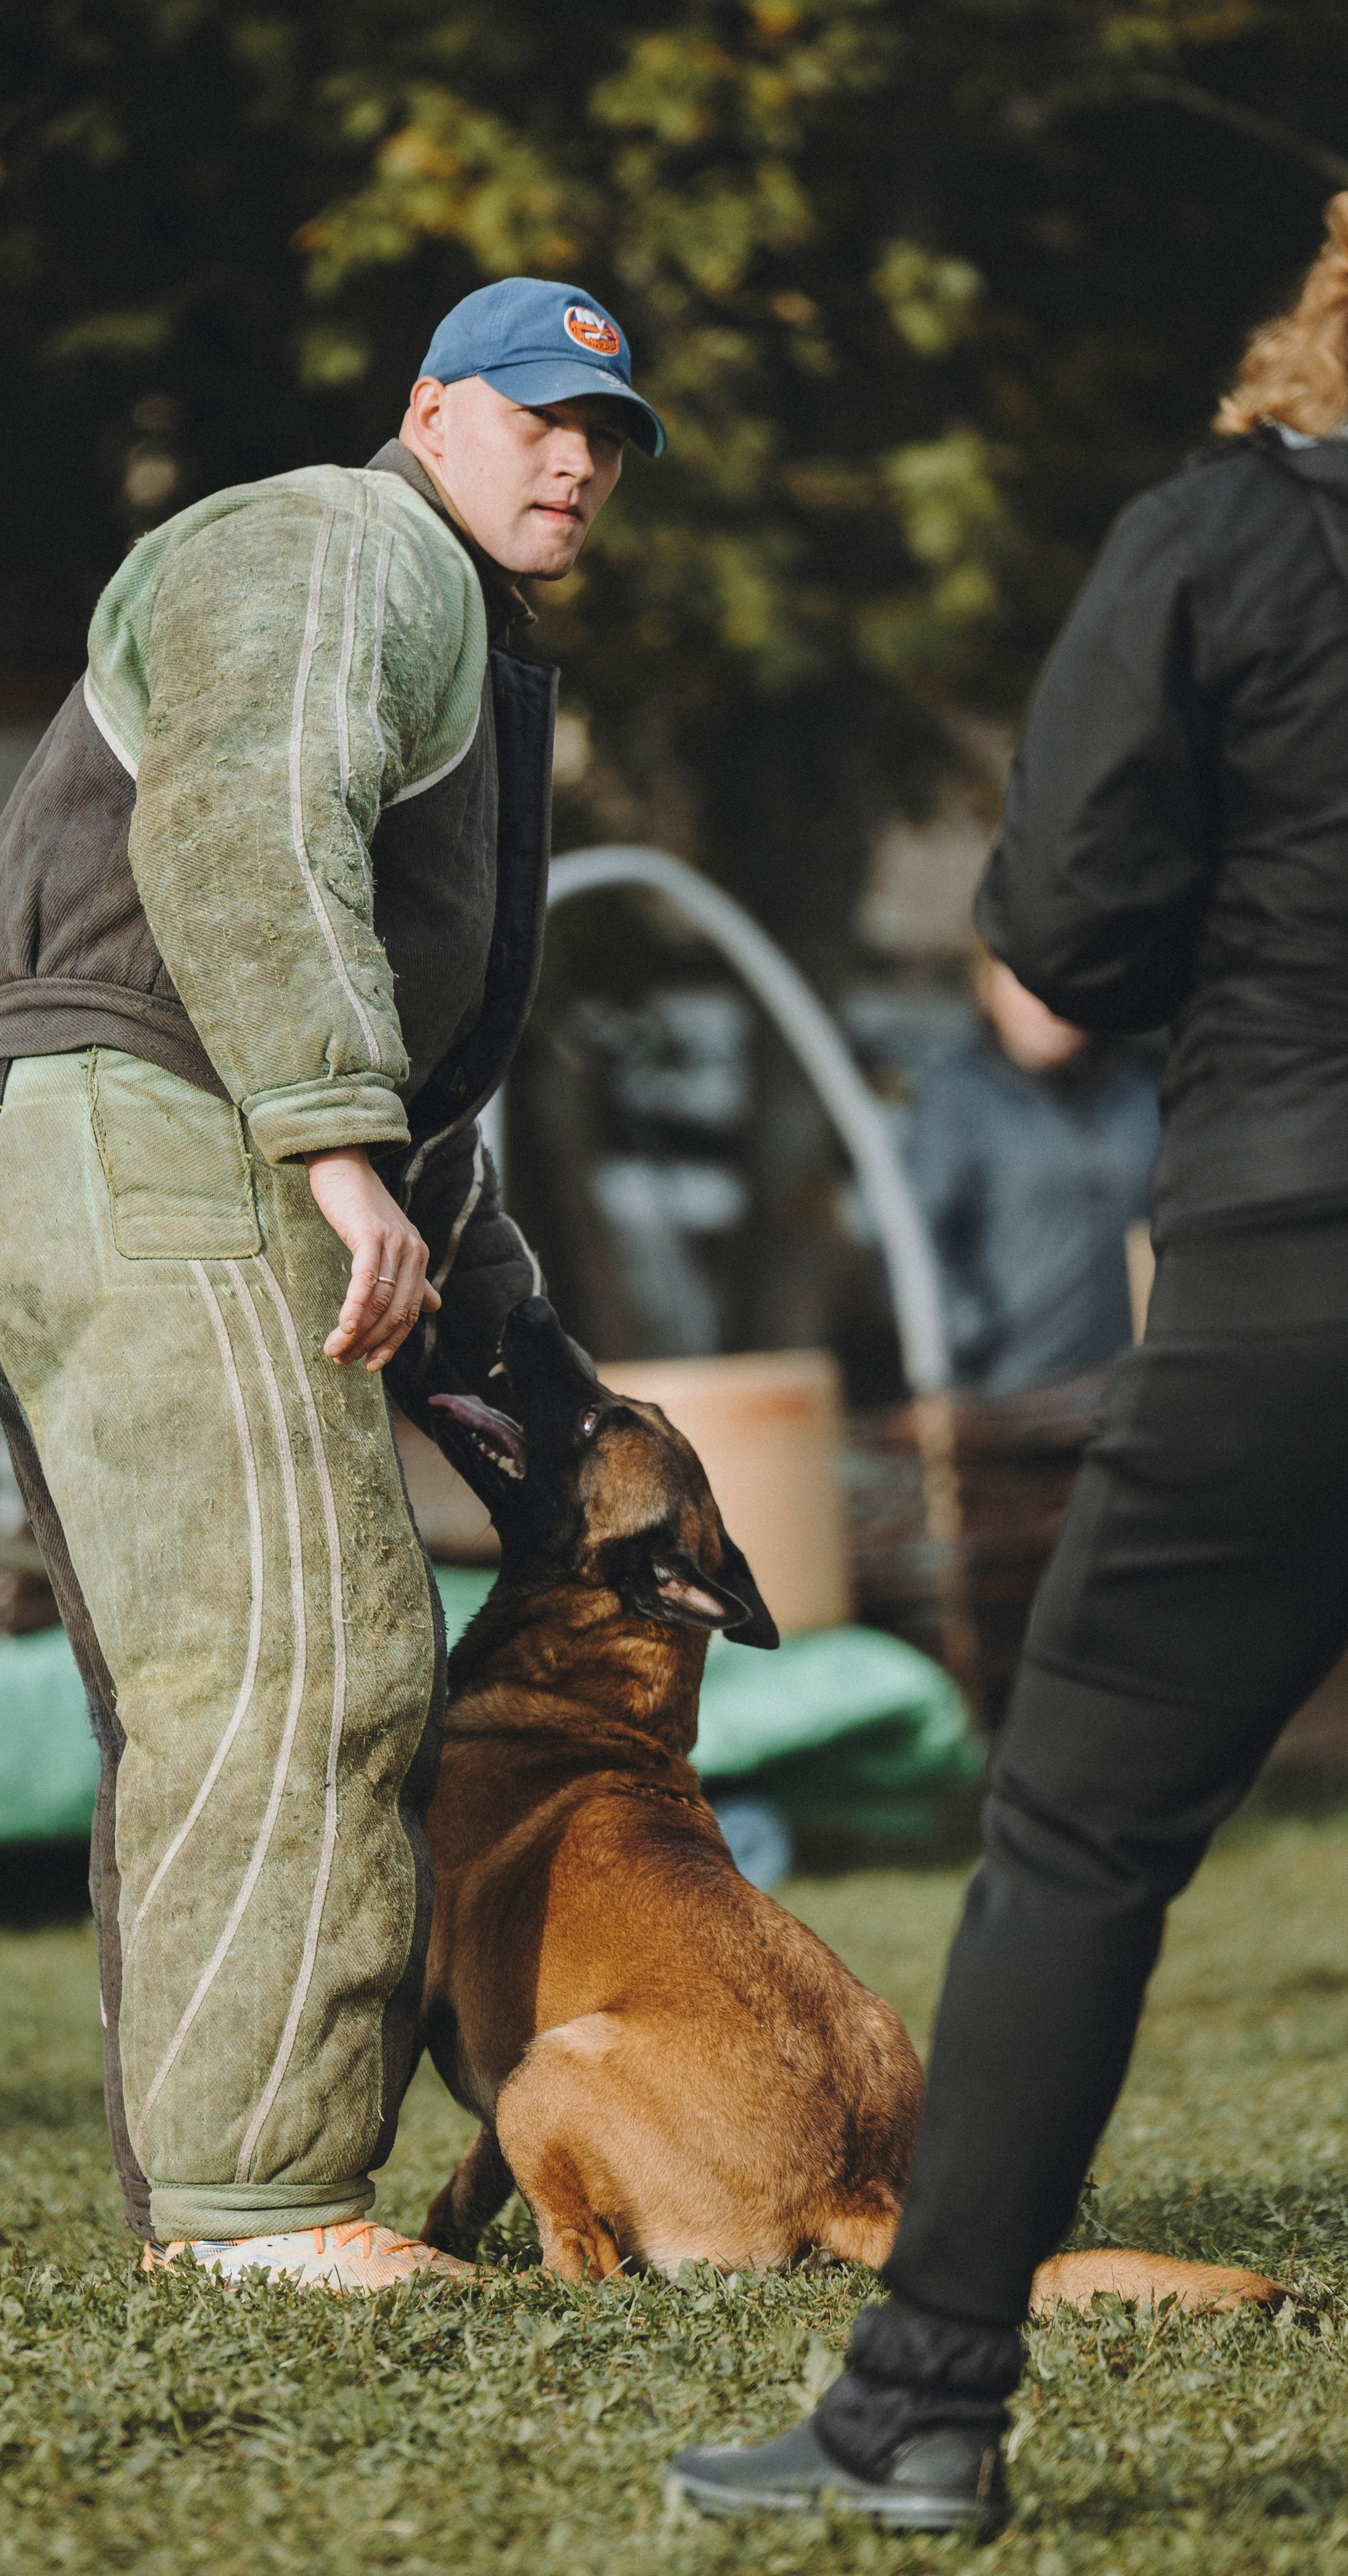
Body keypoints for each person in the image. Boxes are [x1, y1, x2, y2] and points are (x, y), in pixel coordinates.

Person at [669, 190, 1348, 2534]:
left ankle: (924, 2407)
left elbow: (1060, 919)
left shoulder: (1221, 541)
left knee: (1075, 1840)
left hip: (1290, 1279)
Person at [0, 280, 663, 2291]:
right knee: (299, 1656)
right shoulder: (329, 541)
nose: (574, 459)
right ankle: (263, 2214)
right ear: (429, 409)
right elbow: (250, 820)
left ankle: (235, 2196)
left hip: (191, 1130)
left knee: (265, 1659)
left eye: (605, 437)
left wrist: (519, 1350)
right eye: (534, 414)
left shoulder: (441, 619)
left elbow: (421, 1076)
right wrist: (336, 1145)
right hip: (164, 1124)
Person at [903, 947, 1160, 1393]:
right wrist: (968, 1334)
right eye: (1024, 981)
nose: (1047, 1004)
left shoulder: (1144, 1093)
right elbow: (915, 1238)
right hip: (1006, 1400)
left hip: (1131, 1394)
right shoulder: (955, 1100)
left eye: (1065, 982)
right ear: (987, 988)